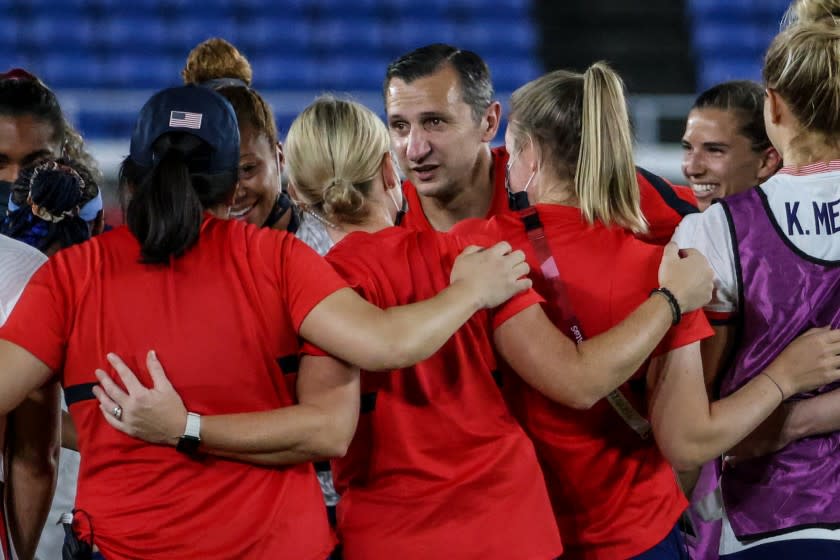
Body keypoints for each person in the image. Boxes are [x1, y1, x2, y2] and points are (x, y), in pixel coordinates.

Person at [92, 93, 717, 560]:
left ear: (301, 194)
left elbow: (307, 426)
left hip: (389, 535)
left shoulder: (295, 291)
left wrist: (185, 428)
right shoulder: (476, 255)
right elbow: (570, 376)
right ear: (392, 176)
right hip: (515, 525)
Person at [0, 85, 532, 559]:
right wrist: (470, 291)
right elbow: (383, 348)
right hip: (276, 543)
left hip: (125, 543)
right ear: (234, 187)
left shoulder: (70, 276)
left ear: (132, 180)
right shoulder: (278, 260)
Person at [452, 61, 840, 560]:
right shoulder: (671, 264)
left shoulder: (483, 248)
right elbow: (690, 437)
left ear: (526, 153)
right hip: (644, 531)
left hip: (527, 528)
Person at [673, 6, 840, 558]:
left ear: (772, 104)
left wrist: (788, 415)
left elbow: (688, 434)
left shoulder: (713, 230)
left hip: (773, 519)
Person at [384, 43, 699, 243]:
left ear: (489, 122)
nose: (414, 149)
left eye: (435, 122)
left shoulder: (559, 178)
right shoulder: (383, 218)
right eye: (399, 126)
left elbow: (720, 226)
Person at [182, 37, 332, 254]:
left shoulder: (324, 248)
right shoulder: (180, 252)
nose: (234, 192)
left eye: (247, 169)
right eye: (215, 174)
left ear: (280, 158)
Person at [681, 80, 782, 210]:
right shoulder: (682, 225)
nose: (692, 169)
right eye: (688, 148)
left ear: (767, 162)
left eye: (714, 150)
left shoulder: (804, 225)